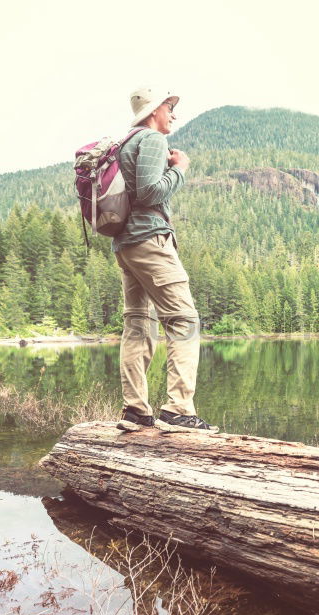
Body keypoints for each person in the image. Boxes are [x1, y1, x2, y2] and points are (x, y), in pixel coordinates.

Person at [114, 87, 213, 430]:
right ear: (155, 109)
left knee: (138, 324)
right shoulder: (152, 140)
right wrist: (180, 169)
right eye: (170, 108)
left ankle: (135, 411)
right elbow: (148, 192)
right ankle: (178, 410)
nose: (173, 115)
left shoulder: (125, 143)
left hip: (125, 245)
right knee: (183, 320)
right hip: (150, 241)